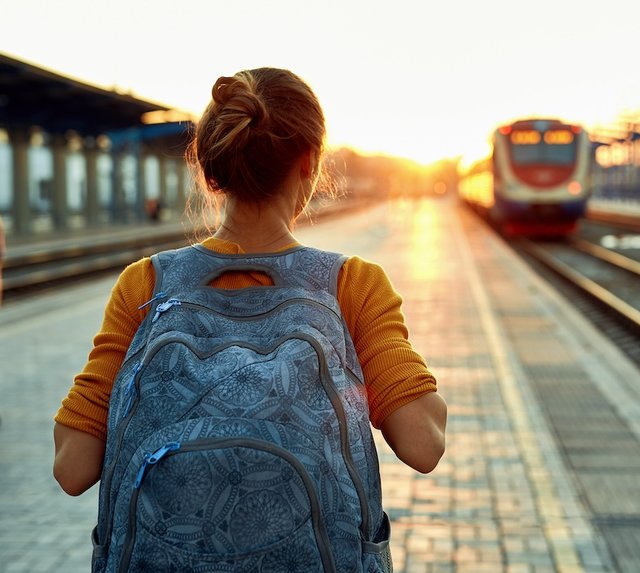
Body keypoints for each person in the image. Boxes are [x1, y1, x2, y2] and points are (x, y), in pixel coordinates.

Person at [53, 68, 447, 566]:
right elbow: (423, 444)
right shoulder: (353, 284)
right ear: (309, 163)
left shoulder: (146, 284)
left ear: (210, 172)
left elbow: (72, 468)